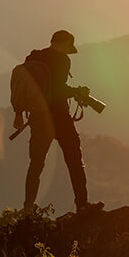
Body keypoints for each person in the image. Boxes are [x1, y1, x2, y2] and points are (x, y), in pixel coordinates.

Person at [13, 29, 104, 215]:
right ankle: (82, 205)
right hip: (59, 117)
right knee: (74, 160)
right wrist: (76, 91)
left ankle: (27, 209)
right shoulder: (62, 60)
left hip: (37, 118)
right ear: (64, 44)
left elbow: (22, 89)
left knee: (36, 164)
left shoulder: (33, 57)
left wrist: (18, 113)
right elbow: (57, 91)